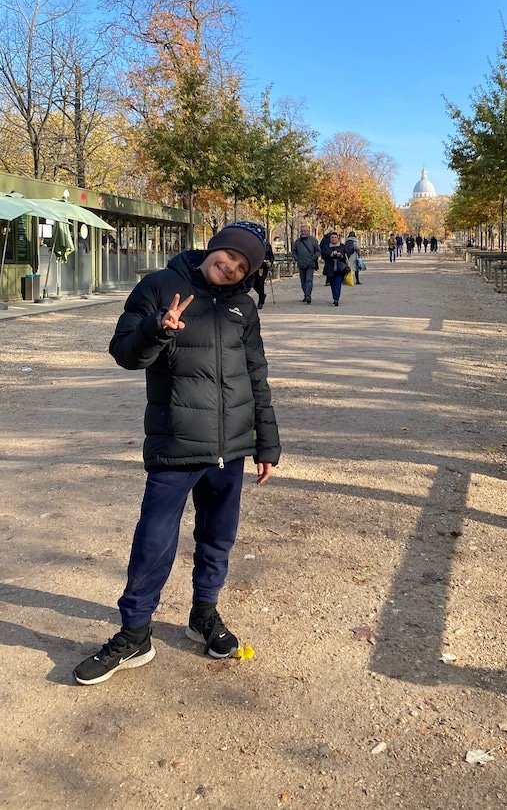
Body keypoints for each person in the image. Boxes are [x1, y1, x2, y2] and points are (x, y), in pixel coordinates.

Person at [73, 221, 281, 685]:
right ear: (214, 248)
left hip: (231, 449)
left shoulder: (243, 307)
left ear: (248, 275)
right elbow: (125, 352)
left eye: (241, 266)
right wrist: (157, 328)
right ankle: (134, 634)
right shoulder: (160, 285)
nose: (228, 267)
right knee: (153, 539)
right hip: (176, 443)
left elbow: (257, 376)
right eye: (227, 255)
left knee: (217, 538)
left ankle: (203, 615)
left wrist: (267, 442)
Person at [292, 224, 321, 303]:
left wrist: (313, 257)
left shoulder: (313, 240)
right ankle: (306, 294)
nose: (303, 232)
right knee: (303, 281)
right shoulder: (297, 242)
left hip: (310, 264)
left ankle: (308, 295)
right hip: (301, 264)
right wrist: (297, 258)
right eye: (302, 231)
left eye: (305, 231)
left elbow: (318, 251)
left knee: (309, 280)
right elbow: (294, 251)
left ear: (308, 232)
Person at [321, 231, 348, 306]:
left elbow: (347, 254)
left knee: (337, 283)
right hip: (330, 268)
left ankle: (336, 298)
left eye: (335, 237)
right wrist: (331, 254)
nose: (333, 239)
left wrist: (341, 255)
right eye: (332, 237)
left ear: (338, 238)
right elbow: (323, 254)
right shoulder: (326, 246)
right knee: (332, 284)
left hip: (340, 269)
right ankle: (334, 296)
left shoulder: (342, 246)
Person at [251, 239, 275, 308]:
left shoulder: (267, 244)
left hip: (263, 267)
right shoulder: (252, 243)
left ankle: (260, 301)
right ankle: (262, 295)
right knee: (253, 283)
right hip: (255, 266)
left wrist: (270, 262)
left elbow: (271, 256)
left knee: (260, 283)